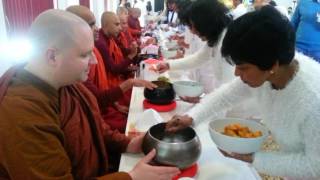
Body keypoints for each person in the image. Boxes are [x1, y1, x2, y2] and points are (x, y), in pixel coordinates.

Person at [0, 9, 180, 179]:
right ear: (52, 57)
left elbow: (95, 124)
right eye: (85, 54)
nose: (94, 60)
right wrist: (131, 177)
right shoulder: (21, 114)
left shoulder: (64, 82)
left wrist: (127, 143)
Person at [166, 6, 320, 179]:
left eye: (243, 67)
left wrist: (255, 159)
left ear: (273, 66)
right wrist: (192, 118)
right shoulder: (269, 71)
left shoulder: (313, 100)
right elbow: (226, 95)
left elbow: (315, 167)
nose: (237, 74)